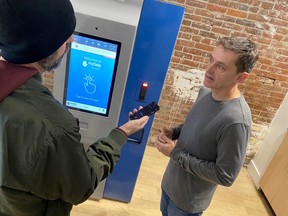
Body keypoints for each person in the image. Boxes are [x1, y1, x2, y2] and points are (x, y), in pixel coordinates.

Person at [0, 0, 149, 215]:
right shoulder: (53, 125)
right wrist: (120, 134)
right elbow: (81, 186)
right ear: (42, 44)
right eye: (64, 36)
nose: (71, 39)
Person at [154, 36, 259, 216]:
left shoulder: (236, 121)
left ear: (241, 77)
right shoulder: (206, 91)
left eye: (221, 66)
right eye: (211, 59)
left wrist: (174, 153)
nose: (208, 70)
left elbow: (225, 176)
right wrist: (175, 132)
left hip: (187, 203)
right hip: (169, 185)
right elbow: (197, 124)